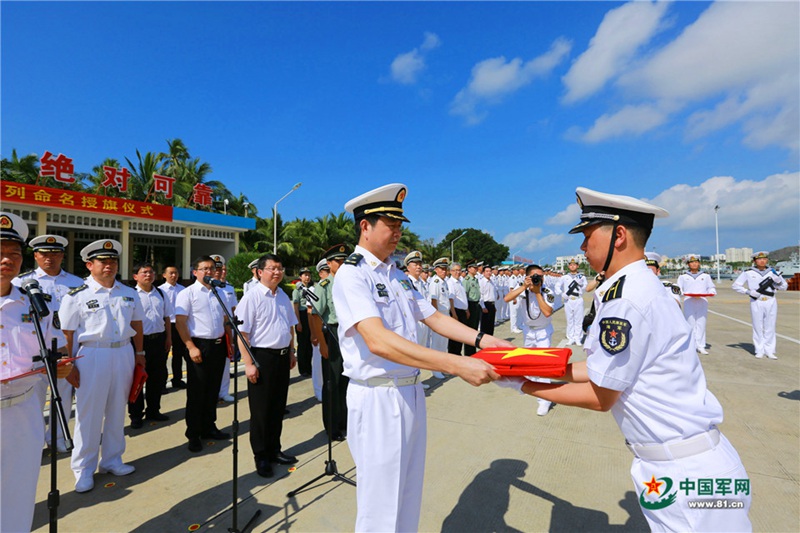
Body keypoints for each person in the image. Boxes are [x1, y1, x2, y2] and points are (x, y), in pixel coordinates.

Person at [497, 187, 751, 532]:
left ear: (618, 235)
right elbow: (604, 371)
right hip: (683, 462)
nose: (582, 248)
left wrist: (526, 386)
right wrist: (535, 366)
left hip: (684, 471)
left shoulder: (626, 299)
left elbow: (601, 396)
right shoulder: (638, 287)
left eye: (587, 237)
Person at [331, 183, 511, 532]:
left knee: (409, 494)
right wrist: (456, 364)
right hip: (378, 396)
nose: (398, 233)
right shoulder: (352, 275)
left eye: (400, 226)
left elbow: (433, 317)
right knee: (380, 505)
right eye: (390, 225)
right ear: (365, 226)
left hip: (410, 390)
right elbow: (379, 341)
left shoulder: (398, 275)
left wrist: (484, 340)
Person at [60, 239, 145, 493]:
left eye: (113, 261)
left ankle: (111, 460)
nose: (109, 266)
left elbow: (137, 325)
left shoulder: (128, 293)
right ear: (89, 265)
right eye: (103, 261)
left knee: (117, 410)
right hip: (91, 356)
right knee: (89, 414)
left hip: (123, 353)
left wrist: (139, 353)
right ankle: (83, 469)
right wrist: (70, 365)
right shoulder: (77, 296)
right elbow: (68, 333)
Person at [1, 213, 68, 532]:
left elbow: (56, 349)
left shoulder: (34, 302)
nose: (7, 260)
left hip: (25, 409)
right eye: (0, 252)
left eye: (14, 254)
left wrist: (62, 366)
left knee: (21, 489)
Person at [13, 233, 83, 453]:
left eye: (54, 253)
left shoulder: (77, 283)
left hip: (63, 350)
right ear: (35, 256)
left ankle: (58, 438)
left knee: (61, 396)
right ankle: (32, 441)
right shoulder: (21, 282)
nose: (49, 258)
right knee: (32, 400)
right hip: (32, 350)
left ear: (62, 255)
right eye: (44, 254)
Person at [236, 254, 298, 478]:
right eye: (272, 268)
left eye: (280, 268)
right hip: (262, 358)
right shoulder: (251, 297)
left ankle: (275, 450)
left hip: (282, 357)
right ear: (259, 272)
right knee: (261, 411)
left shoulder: (283, 295)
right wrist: (249, 364)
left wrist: (291, 351)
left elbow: (289, 326)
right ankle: (261, 456)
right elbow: (242, 334)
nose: (277, 272)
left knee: (277, 407)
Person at [175, 256, 232, 453]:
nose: (209, 272)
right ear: (195, 272)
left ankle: (209, 427)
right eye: (204, 268)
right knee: (197, 392)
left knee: (213, 389)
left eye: (212, 268)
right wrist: (191, 346)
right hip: (199, 345)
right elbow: (181, 322)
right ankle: (193, 433)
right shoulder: (187, 293)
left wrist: (229, 342)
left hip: (218, 345)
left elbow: (225, 320)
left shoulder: (219, 292)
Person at [309, 244, 351, 441]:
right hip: (332, 335)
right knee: (332, 383)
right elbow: (315, 314)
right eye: (338, 261)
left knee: (346, 381)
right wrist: (322, 344)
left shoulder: (351, 282)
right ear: (329, 263)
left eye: (344, 260)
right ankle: (332, 427)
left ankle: (345, 421)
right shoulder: (325, 285)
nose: (342, 264)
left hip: (348, 335)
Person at [504, 264, 556, 417]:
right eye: (534, 276)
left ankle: (545, 400)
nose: (537, 278)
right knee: (528, 362)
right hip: (528, 331)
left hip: (543, 331)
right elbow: (507, 298)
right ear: (526, 277)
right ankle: (531, 386)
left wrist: (538, 292)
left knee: (543, 364)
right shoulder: (523, 289)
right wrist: (523, 287)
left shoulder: (546, 291)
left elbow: (547, 312)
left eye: (540, 276)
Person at [128, 261, 172, 428]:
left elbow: (167, 317)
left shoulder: (161, 293)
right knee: (137, 378)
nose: (148, 275)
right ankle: (136, 415)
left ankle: (154, 410)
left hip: (159, 340)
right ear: (135, 276)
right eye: (144, 272)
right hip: (139, 342)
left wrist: (168, 338)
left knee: (157, 378)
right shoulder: (131, 294)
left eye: (151, 272)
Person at [732, 251, 787, 359]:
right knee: (757, 326)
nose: (762, 261)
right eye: (759, 259)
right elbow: (735, 286)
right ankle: (759, 350)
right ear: (755, 261)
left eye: (764, 259)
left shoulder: (773, 272)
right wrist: (748, 292)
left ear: (767, 260)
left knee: (770, 326)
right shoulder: (748, 272)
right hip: (756, 301)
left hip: (770, 300)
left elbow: (784, 287)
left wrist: (778, 281)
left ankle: (770, 350)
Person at [211, 255, 237, 403]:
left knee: (226, 363)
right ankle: (213, 392)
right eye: (217, 269)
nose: (220, 272)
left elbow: (234, 310)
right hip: (212, 330)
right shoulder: (209, 288)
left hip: (227, 329)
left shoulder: (229, 288)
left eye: (221, 269)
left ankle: (224, 391)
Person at [677, 255, 716, 354]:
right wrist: (682, 293)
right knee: (690, 323)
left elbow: (711, 287)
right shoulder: (683, 276)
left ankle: (701, 345)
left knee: (701, 323)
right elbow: (679, 288)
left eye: (696, 262)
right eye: (691, 262)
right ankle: (691, 345)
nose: (694, 264)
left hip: (702, 300)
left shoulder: (705, 276)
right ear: (688, 264)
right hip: (689, 300)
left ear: (699, 263)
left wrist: (712, 292)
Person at [160, 265, 188, 389]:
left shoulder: (183, 289)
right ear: (164, 275)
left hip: (179, 324)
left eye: (175, 273)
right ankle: (161, 382)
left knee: (179, 353)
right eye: (170, 273)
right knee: (163, 354)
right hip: (165, 324)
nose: (173, 275)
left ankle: (177, 379)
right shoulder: (160, 290)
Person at [427, 257, 451, 379]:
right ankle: (435, 369)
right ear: (436, 270)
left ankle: (443, 367)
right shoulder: (435, 282)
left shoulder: (444, 282)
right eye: (441, 269)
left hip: (445, 315)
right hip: (439, 315)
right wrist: (436, 317)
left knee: (443, 343)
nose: (444, 271)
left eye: (445, 269)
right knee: (436, 343)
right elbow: (433, 300)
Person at [558, 259, 588, 346]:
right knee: (570, 320)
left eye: (574, 265)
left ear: (578, 266)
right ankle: (570, 338)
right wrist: (562, 294)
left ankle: (578, 338)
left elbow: (585, 287)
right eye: (571, 265)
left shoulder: (582, 277)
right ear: (568, 266)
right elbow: (557, 286)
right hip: (568, 300)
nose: (572, 266)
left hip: (578, 299)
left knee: (579, 320)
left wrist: (580, 287)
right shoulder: (564, 277)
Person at [292, 267, 313, 377]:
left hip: (310, 317)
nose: (307, 277)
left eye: (309, 275)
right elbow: (296, 307)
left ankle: (309, 368)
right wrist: (298, 322)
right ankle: (303, 369)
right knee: (302, 345)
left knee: (310, 344)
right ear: (300, 277)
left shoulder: (312, 289)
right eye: (305, 275)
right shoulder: (297, 291)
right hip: (302, 316)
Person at [446, 262, 469, 356]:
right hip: (456, 311)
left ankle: (458, 353)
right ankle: (454, 355)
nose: (458, 272)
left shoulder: (460, 281)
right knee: (455, 337)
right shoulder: (450, 283)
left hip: (462, 311)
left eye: (459, 270)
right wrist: (454, 314)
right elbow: (451, 299)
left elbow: (463, 297)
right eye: (455, 270)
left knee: (461, 335)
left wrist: (467, 310)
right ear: (451, 271)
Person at [462, 260, 482, 355]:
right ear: (469, 269)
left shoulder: (475, 279)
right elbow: (465, 295)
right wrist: (467, 309)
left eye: (476, 268)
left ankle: (473, 350)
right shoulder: (467, 280)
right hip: (470, 305)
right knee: (470, 329)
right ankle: (468, 352)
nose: (476, 269)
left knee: (474, 329)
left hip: (476, 304)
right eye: (473, 268)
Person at [478, 265, 498, 336]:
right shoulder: (481, 282)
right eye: (487, 271)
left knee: (491, 325)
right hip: (485, 305)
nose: (489, 273)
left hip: (491, 304)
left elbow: (493, 295)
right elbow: (481, 295)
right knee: (484, 326)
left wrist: (494, 305)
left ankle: (490, 341)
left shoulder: (492, 282)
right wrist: (483, 306)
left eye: (490, 271)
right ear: (483, 273)